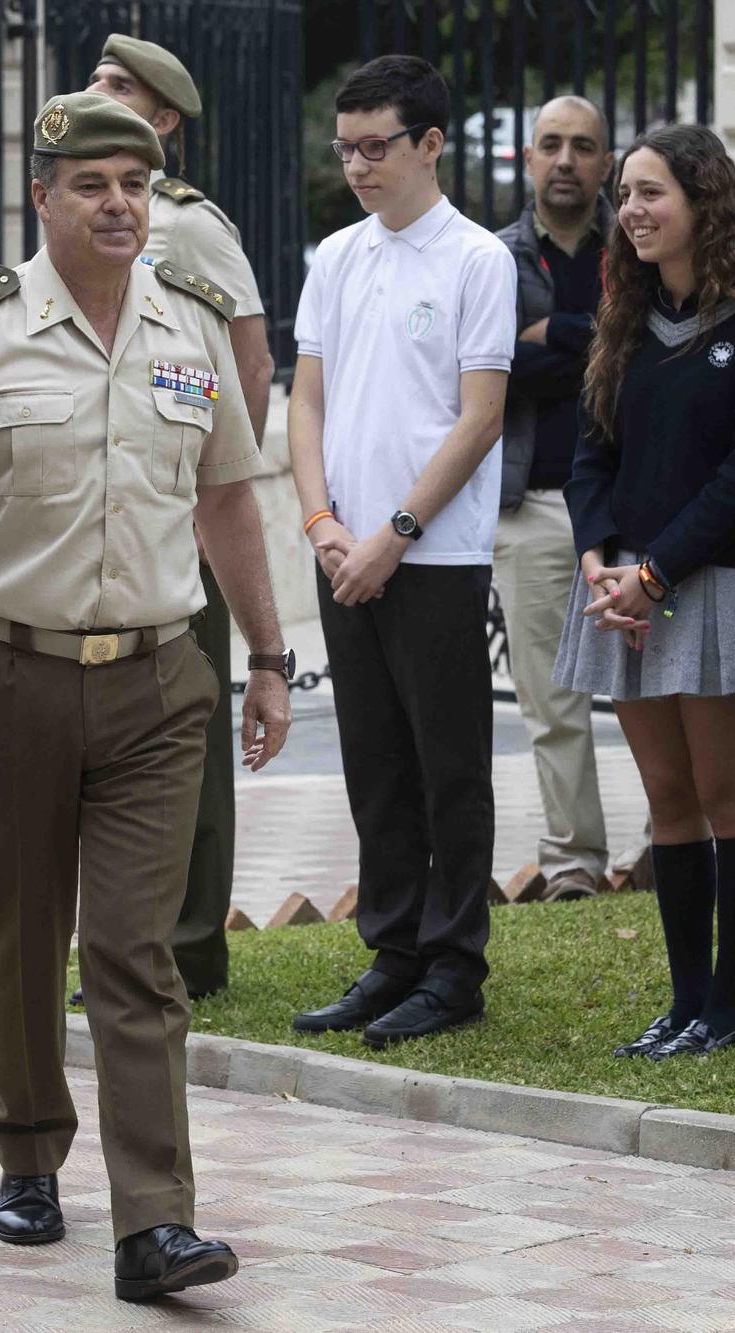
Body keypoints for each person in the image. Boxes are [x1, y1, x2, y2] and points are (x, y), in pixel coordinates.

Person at [0, 92, 294, 1301]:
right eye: (92, 185)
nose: (118, 205)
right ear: (42, 199)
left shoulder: (191, 325)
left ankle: (155, 1223)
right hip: (7, 675)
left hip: (162, 680)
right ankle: (26, 1151)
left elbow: (227, 499)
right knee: (21, 932)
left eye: (135, 184)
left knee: (134, 950)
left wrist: (266, 657)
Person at [557, 123, 735, 1060]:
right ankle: (686, 1000)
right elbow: (591, 457)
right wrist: (598, 557)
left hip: (713, 586)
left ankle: (733, 1003)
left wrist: (657, 571)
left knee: (728, 793)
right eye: (627, 194)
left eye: (652, 192)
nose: (632, 209)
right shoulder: (621, 321)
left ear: (706, 201)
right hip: (622, 588)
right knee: (666, 800)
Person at [287, 54, 515, 1048]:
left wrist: (394, 534)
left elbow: (477, 419)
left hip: (431, 555)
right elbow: (305, 399)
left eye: (374, 147)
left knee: (446, 762)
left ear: (429, 144)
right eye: (344, 149)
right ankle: (392, 948)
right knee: (372, 759)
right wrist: (323, 524)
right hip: (343, 551)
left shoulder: (475, 260)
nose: (356, 166)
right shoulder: (335, 257)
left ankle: (453, 961)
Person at [86, 32, 276, 997]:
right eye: (97, 78)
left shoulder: (190, 226)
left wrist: (209, 499)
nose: (97, 89)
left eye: (120, 86)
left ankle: (190, 945)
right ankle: (116, 939)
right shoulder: (83, 211)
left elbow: (248, 363)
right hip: (99, 530)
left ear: (164, 122)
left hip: (180, 525)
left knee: (187, 740)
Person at [493, 94, 617, 901]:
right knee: (554, 701)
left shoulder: (641, 243)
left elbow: (648, 363)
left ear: (606, 161)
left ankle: (700, 842)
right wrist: (594, 335)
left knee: (678, 693)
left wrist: (550, 337)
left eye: (582, 146)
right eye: (551, 145)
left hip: (637, 507)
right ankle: (575, 862)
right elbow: (486, 372)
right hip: (533, 503)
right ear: (529, 159)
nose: (566, 159)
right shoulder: (491, 258)